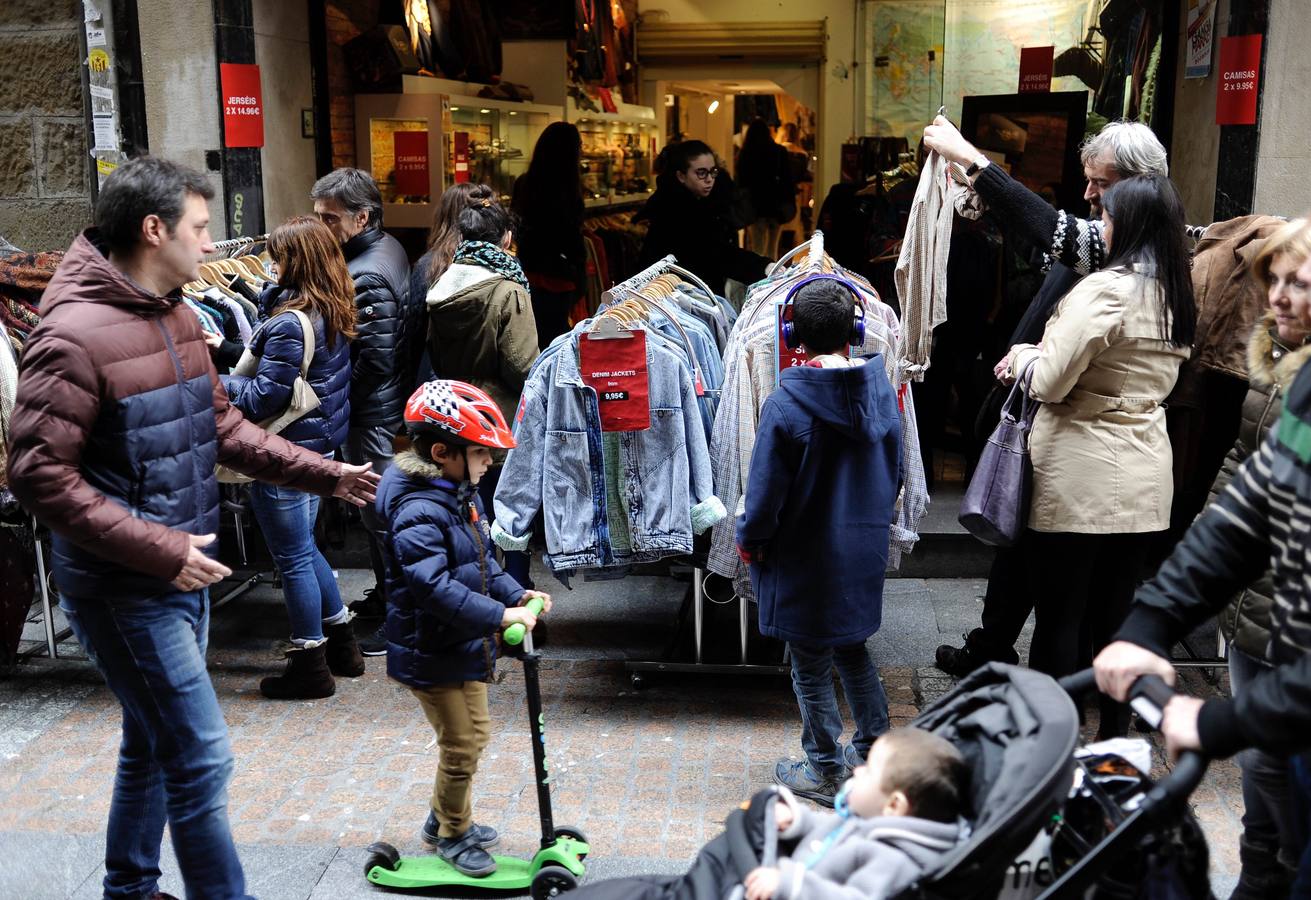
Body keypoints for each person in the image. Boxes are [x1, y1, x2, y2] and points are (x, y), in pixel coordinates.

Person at [6, 156, 380, 900]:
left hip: (183, 571)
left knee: (152, 744)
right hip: (125, 585)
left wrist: (326, 473)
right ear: (154, 230)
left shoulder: (175, 314)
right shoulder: (73, 334)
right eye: (201, 228)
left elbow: (223, 429)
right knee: (203, 756)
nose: (212, 247)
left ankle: (130, 890)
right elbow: (38, 474)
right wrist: (164, 546)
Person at [1094, 180, 1311, 899]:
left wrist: (1225, 719)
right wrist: (1151, 622)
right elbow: (1250, 510)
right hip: (1309, 731)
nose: (1297, 280)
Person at [921, 117, 1171, 679]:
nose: (1088, 197)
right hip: (1103, 460)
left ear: (1134, 190)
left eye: (1100, 187)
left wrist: (974, 161)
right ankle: (1000, 654)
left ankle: (1055, 718)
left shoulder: (1123, 267)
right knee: (1050, 580)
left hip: (1082, 459)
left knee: (1064, 609)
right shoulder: (1153, 272)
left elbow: (1050, 230)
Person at [999, 174, 1195, 739]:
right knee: (1116, 612)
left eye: (1105, 219)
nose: (1099, 228)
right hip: (1145, 469)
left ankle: (1052, 737)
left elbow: (1054, 382)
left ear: (1127, 226)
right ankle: (1115, 734)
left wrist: (1021, 360)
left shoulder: (1105, 289)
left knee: (1061, 615)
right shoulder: (1174, 291)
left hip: (1079, 470)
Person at [737, 277, 903, 804]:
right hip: (863, 552)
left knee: (808, 663)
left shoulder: (787, 406)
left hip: (805, 557)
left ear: (792, 336)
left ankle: (824, 765)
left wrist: (751, 540)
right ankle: (875, 749)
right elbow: (895, 474)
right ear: (855, 331)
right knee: (853, 649)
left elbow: (763, 496)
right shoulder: (883, 394)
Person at [379, 380, 552, 876]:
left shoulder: (455, 493)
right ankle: (453, 834)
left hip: (458, 643)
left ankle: (443, 818)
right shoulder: (418, 510)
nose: (488, 463)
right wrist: (501, 618)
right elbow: (433, 590)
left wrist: (514, 596)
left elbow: (480, 565)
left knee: (473, 735)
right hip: (429, 647)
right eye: (480, 453)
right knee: (461, 744)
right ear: (442, 452)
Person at [1205, 216, 1311, 898]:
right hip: (1252, 595)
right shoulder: (1274, 365)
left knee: (1281, 761)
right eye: (1272, 280)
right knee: (1261, 761)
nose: (1277, 296)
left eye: (1298, 282)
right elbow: (1239, 462)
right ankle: (1260, 872)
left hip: (1303, 612)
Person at [571, 727, 967, 900]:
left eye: (869, 770)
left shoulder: (892, 859)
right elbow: (833, 832)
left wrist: (789, 884)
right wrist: (798, 821)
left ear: (894, 805)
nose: (857, 770)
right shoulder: (872, 823)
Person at [223, 216, 363, 699]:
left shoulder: (289, 321)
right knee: (305, 548)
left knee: (293, 558)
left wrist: (213, 382)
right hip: (316, 448)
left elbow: (263, 398)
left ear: (296, 261)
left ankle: (310, 666)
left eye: (278, 255)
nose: (270, 263)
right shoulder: (332, 306)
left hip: (285, 454)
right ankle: (342, 643)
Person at [311, 167, 418, 637]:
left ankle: (400, 613)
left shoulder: (366, 271)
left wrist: (334, 394)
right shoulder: (385, 248)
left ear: (362, 218)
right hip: (382, 403)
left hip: (374, 409)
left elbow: (375, 357)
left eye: (329, 219)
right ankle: (391, 597)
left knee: (379, 515)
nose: (322, 229)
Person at [425, 188, 538, 588]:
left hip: (458, 411)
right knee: (511, 511)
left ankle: (479, 587)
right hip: (501, 416)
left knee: (474, 509)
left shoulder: (440, 286)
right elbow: (523, 364)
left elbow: (436, 358)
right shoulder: (508, 289)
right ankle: (517, 594)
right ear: (506, 238)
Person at [637, 139, 772, 295]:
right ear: (681, 176)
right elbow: (714, 252)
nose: (709, 179)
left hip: (686, 292)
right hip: (672, 296)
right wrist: (761, 266)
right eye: (701, 173)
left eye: (713, 171)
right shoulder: (676, 209)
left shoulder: (703, 202)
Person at [511, 122, 587, 347]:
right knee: (559, 337)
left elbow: (517, 225)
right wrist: (578, 272)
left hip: (529, 271)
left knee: (535, 335)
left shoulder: (525, 183)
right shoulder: (567, 188)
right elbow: (572, 237)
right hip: (559, 275)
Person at [410, 183, 489, 385]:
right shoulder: (497, 262)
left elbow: (415, 329)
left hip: (436, 377)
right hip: (482, 376)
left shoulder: (429, 264)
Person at [736, 119, 796, 258]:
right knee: (772, 248)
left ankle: (759, 275)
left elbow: (742, 181)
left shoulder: (746, 154)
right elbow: (787, 179)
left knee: (757, 247)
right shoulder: (779, 151)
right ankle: (773, 275)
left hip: (754, 206)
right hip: (776, 206)